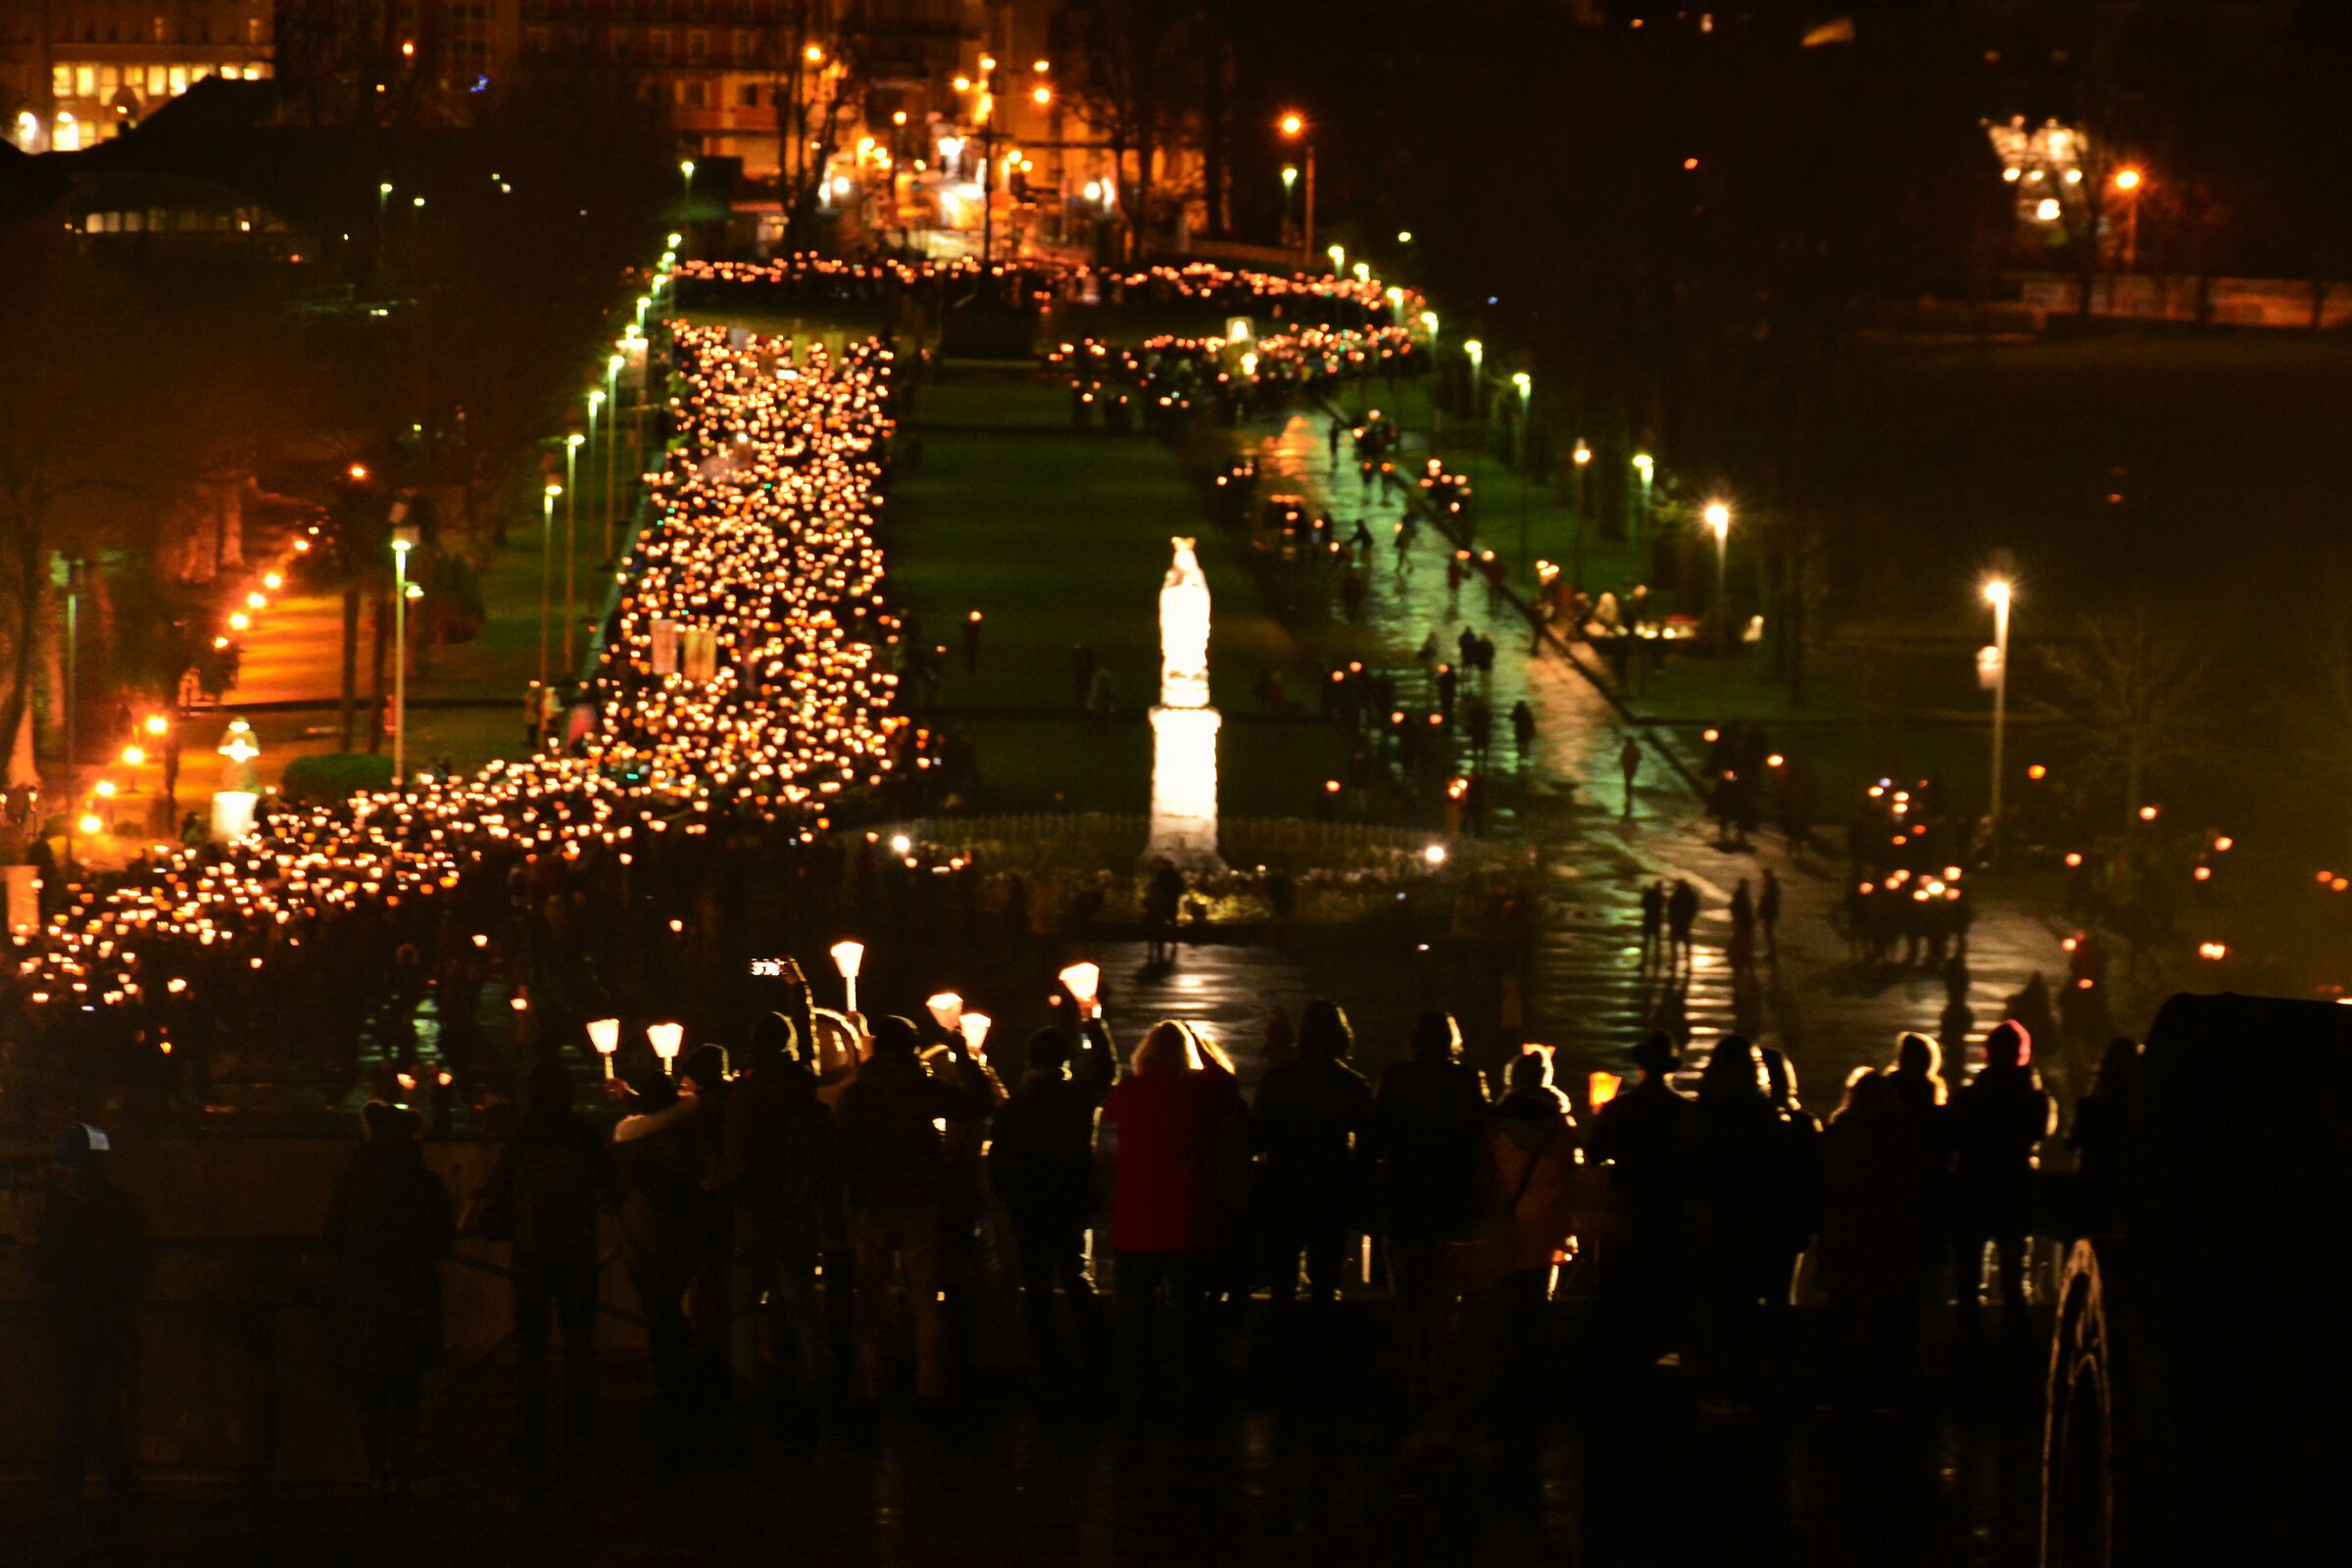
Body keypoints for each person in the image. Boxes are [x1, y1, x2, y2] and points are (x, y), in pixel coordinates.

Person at [833, 1014, 995, 1398]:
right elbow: (978, 1104)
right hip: (920, 1202)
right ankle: (930, 1382)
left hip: (872, 1204)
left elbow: (842, 1151)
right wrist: (966, 1059)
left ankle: (866, 1379)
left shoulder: (856, 1095)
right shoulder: (923, 1089)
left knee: (869, 1297)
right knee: (926, 1298)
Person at [1103, 1020, 1247, 1397]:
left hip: (1136, 1225)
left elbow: (1109, 1105)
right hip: (1188, 1222)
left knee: (1136, 1316)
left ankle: (1134, 1391)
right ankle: (1191, 1392)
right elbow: (1229, 1086)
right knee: (1189, 1316)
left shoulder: (1130, 1092)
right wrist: (1198, 1043)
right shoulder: (1201, 1091)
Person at [482, 1058, 615, 1460]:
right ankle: (579, 1427)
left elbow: (498, 1189)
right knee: (579, 1343)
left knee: (532, 1345)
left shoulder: (523, 1137)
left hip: (533, 1254)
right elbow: (610, 1186)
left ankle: (530, 1428)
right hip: (577, 1252)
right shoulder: (584, 1136)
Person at [324, 1102, 455, 1496]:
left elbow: (333, 1240)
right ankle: (402, 1461)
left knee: (370, 1384)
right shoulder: (425, 1183)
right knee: (406, 1385)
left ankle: (376, 1464)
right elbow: (441, 1240)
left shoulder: (351, 1184)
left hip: (365, 1295)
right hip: (412, 1294)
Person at [1370, 1011, 1491, 1404]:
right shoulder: (1467, 1079)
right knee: (1445, 1291)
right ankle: (1441, 1376)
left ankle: (1412, 1373)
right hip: (1452, 1200)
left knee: (1411, 1290)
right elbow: (1479, 1136)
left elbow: (1377, 1137)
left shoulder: (1395, 1077)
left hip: (1406, 1198)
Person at [1476, 1048, 1579, 1501]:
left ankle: (1502, 1387)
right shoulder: (1561, 1126)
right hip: (1546, 1234)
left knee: (1503, 1311)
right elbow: (1571, 1182)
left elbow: (1485, 1181)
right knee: (1536, 1306)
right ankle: (1534, 1386)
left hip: (1506, 1231)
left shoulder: (1494, 1125)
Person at [724, 1011, 841, 1407]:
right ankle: (810, 1383)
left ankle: (744, 1384)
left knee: (744, 1306)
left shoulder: (745, 1093)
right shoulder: (804, 1089)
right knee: (800, 1303)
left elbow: (738, 1156)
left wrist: (732, 1188)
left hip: (755, 1208)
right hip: (797, 1207)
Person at [990, 1017, 1116, 1374]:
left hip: (1028, 1208)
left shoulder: (1014, 1110)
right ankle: (1097, 1355)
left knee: (1036, 1285)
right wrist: (1093, 1022)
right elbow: (1105, 1071)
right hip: (1071, 1203)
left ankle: (1045, 1360)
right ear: (1063, 1061)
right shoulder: (1076, 1098)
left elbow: (999, 1163)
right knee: (1076, 1275)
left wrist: (1008, 1198)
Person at [33, 1122, 148, 1511]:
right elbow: (139, 1259)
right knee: (97, 1402)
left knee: (79, 1401)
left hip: (74, 1319)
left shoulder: (65, 1208)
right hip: (109, 1317)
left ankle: (74, 1483)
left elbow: (46, 1263)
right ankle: (112, 1482)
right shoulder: (121, 1205)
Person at [1677, 1036, 1790, 1413]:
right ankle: (1748, 1382)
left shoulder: (1702, 1113)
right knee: (1745, 1304)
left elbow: (1686, 1169)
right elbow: (1778, 1173)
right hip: (1752, 1223)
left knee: (1713, 1306)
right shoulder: (1763, 1114)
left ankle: (1717, 1383)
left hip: (1709, 1222)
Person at [1250, 1001, 1373, 1327]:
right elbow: (1371, 1143)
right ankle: (1322, 1353)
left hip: (1283, 1186)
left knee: (1282, 1283)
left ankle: (1280, 1353)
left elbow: (1256, 1137)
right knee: (1325, 1281)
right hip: (1330, 1189)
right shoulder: (1352, 1084)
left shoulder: (1278, 1079)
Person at [1589, 1032, 1691, 1374]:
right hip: (1672, 1215)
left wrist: (1598, 1116)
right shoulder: (1686, 1110)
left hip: (1629, 1210)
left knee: (1625, 1294)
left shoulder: (1620, 1108)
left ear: (1640, 1066)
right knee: (1666, 1293)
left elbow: (1594, 1154)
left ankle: (1624, 1370)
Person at [611, 1068, 703, 1435]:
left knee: (660, 1318)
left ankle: (669, 1392)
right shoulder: (688, 1138)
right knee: (675, 1316)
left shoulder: (634, 1145)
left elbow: (621, 1186)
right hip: (683, 1242)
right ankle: (685, 1390)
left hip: (646, 1242)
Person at [1948, 1020, 2055, 1319]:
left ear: (1988, 1052)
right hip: (2014, 1188)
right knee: (2013, 1275)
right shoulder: (2035, 1098)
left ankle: (1968, 1343)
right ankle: (2016, 1344)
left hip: (1973, 1186)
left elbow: (1953, 1136)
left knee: (1968, 1278)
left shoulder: (1970, 1096)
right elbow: (2037, 1134)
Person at [2065, 1037, 2138, 1234]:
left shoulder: (2090, 1107)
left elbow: (2072, 1143)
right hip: (2127, 1189)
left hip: (2092, 1186)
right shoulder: (2141, 1111)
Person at [1666, 879, 1699, 973]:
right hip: (1684, 923)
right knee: (1686, 945)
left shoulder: (1678, 895)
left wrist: (1672, 920)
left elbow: (1671, 907)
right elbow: (1693, 908)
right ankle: (1688, 965)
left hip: (1678, 923)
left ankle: (1676, 964)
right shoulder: (1690, 895)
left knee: (1675, 944)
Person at [1758, 868, 1784, 959]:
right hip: (1771, 912)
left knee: (1768, 933)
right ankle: (1771, 952)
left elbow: (1767, 901)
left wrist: (1762, 911)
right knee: (1768, 933)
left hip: (1769, 913)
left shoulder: (1770, 886)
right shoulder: (1772, 885)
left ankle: (1772, 953)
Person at [1618, 735, 1642, 817]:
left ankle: (1628, 789)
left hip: (1627, 766)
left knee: (1628, 779)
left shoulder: (1626, 748)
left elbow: (1622, 757)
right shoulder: (1635, 749)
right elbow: (1639, 757)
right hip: (1632, 766)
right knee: (1629, 778)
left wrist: (1621, 762)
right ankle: (1629, 789)